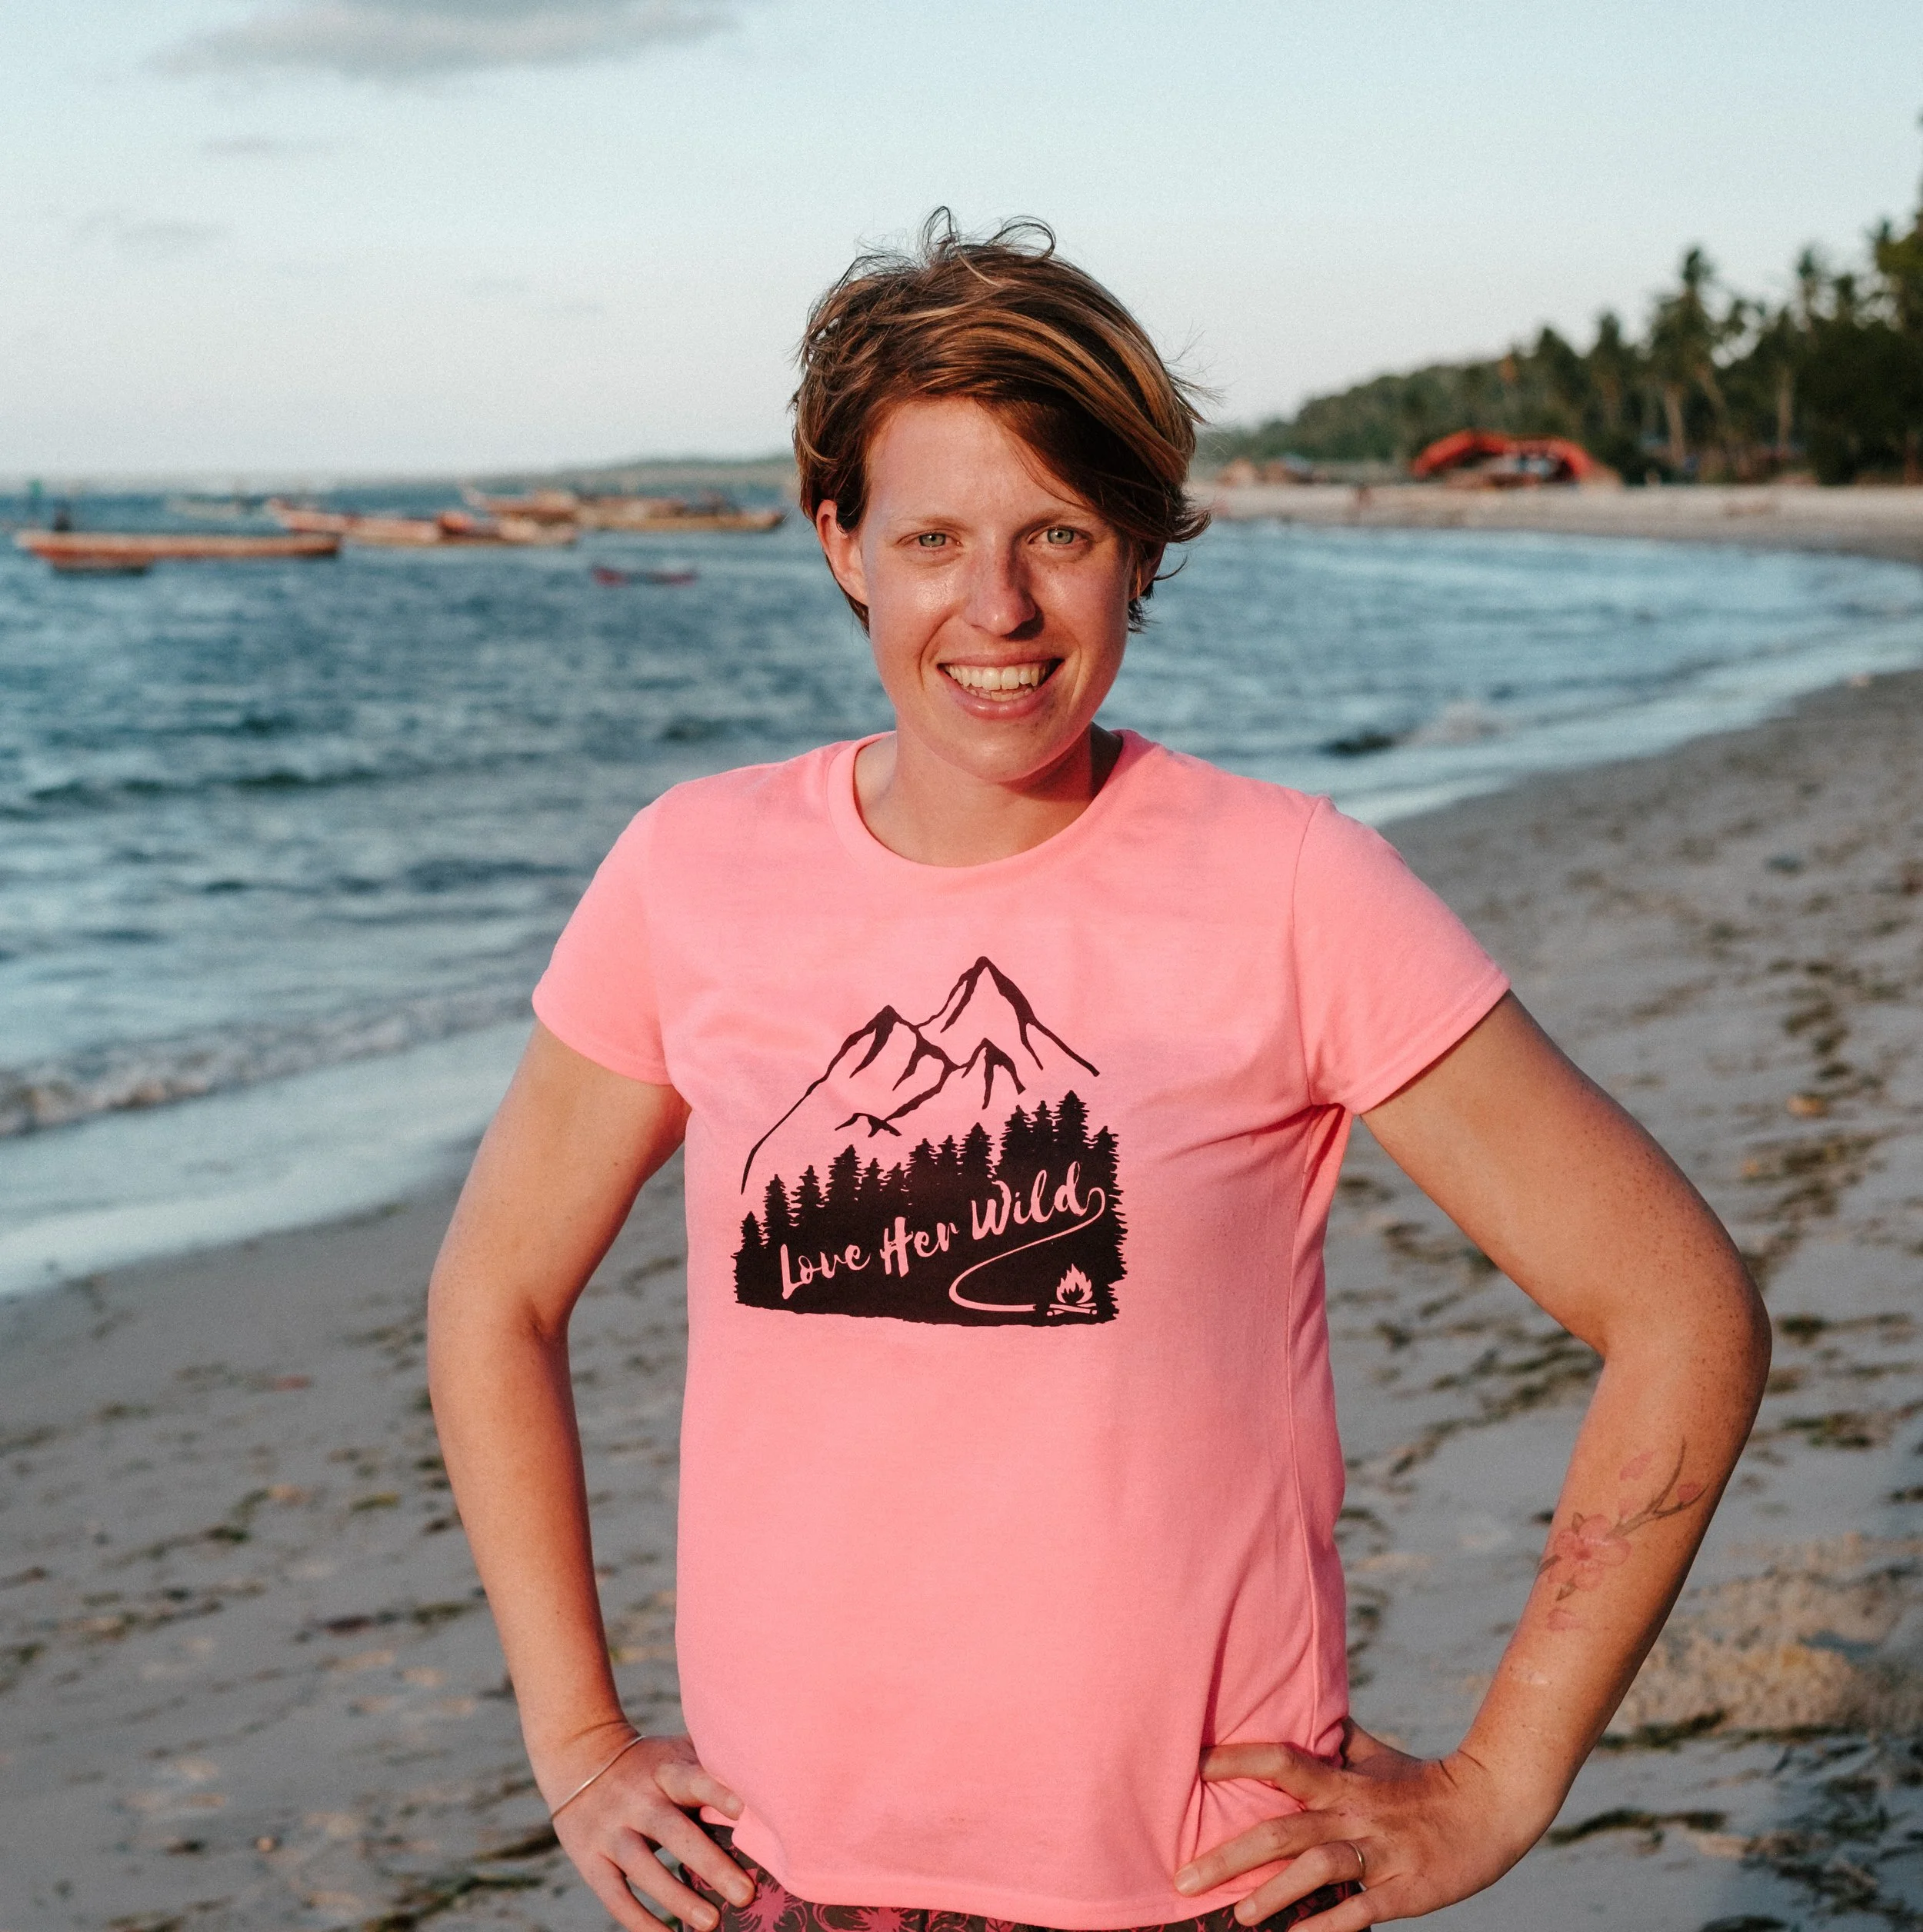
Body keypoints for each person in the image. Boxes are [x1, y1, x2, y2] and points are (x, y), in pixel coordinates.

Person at [427, 215, 1769, 1932]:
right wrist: (575, 1737)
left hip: (1189, 1888)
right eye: (930, 537)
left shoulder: (1290, 886)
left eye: (1056, 533)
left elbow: (1680, 1309)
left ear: (1137, 544)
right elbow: (493, 1289)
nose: (993, 608)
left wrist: (1498, 1783)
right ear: (841, 542)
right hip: (775, 1875)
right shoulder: (685, 873)